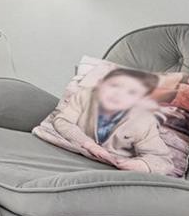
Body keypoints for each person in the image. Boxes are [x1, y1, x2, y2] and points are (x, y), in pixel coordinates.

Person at [35, 66, 176, 174]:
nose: (118, 94)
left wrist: (142, 165)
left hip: (111, 168)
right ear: (100, 84)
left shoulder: (142, 122)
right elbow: (63, 121)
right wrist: (88, 144)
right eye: (114, 85)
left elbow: (162, 160)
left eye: (132, 93)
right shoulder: (86, 96)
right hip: (74, 151)